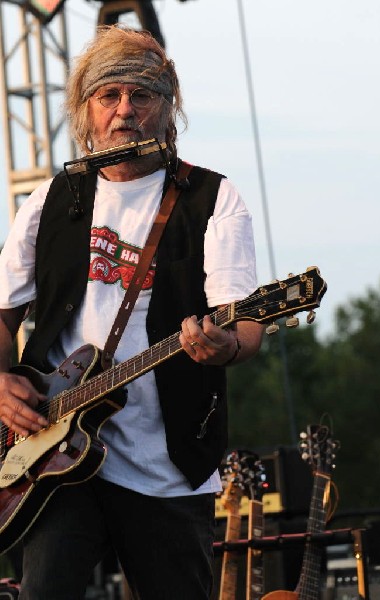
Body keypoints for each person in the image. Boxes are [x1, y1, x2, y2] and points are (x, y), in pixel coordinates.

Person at [0, 25, 263, 599]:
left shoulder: (214, 199)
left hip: (167, 467)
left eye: (142, 96)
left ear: (168, 110)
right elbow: (3, 313)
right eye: (109, 96)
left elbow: (244, 326)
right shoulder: (53, 199)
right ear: (86, 110)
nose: (125, 111)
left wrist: (226, 345)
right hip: (53, 454)